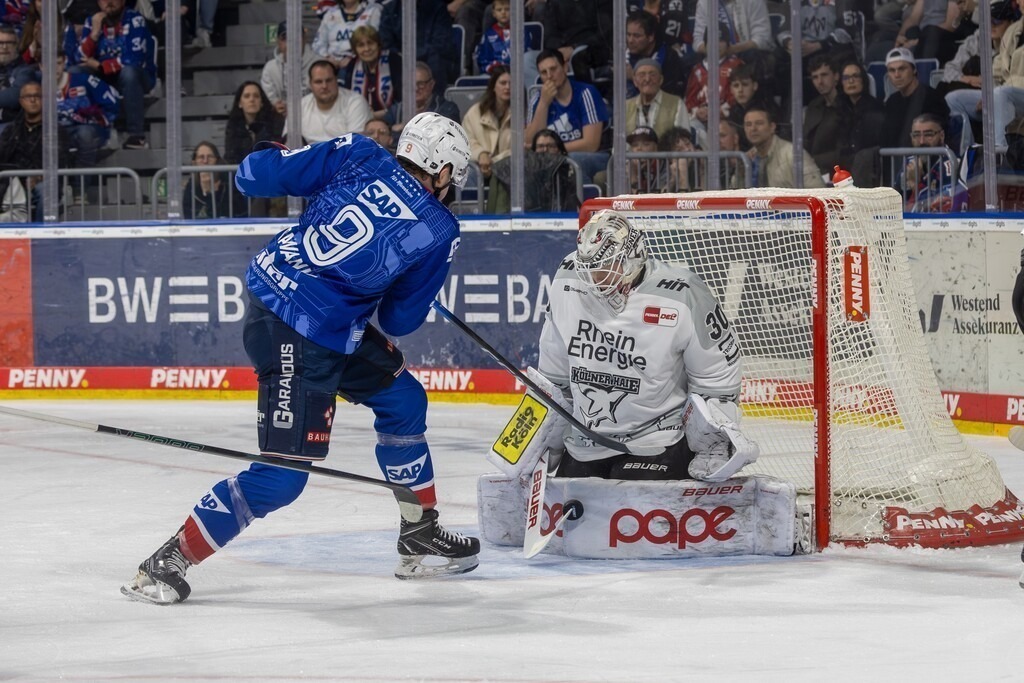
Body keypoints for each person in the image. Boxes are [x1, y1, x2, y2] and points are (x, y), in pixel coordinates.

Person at [121, 112, 476, 605]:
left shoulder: (361, 153)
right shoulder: (439, 227)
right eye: (452, 179)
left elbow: (252, 176)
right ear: (443, 171)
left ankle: (420, 532)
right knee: (283, 477)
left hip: (296, 308)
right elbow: (399, 320)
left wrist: (269, 150)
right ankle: (168, 560)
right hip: (296, 330)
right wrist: (413, 282)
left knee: (404, 400)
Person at [537, 209, 755, 483]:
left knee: (628, 505)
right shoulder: (568, 279)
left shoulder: (681, 292)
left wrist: (711, 442)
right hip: (586, 441)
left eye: (606, 267)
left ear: (633, 257)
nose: (596, 279)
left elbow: (717, 374)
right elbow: (554, 372)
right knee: (570, 507)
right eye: (590, 268)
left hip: (657, 442)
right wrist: (542, 438)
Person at [75, 0, 156, 150]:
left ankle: (136, 135)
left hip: (139, 76)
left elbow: (134, 58)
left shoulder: (135, 19)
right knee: (76, 72)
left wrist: (100, 66)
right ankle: (88, 133)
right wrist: (94, 35)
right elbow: (79, 58)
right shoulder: (92, 21)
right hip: (105, 76)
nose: (109, 2)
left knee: (129, 73)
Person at [945, 3, 1024, 151]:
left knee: (1001, 93)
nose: (991, 26)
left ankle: (1000, 152)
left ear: (1008, 21)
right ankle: (968, 153)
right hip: (1004, 93)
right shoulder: (1013, 30)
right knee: (954, 99)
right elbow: (997, 70)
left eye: (997, 21)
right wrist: (989, 94)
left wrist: (996, 94)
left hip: (1015, 93)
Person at [525, 49, 609, 186]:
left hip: (594, 157)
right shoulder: (537, 100)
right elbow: (530, 143)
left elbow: (591, 144)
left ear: (565, 67)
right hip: (554, 157)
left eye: (553, 69)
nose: (549, 76)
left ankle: (583, 200)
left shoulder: (586, 93)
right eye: (544, 72)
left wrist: (553, 150)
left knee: (571, 160)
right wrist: (544, 104)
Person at [0, 80, 73, 221]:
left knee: (46, 191)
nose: (33, 100)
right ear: (21, 102)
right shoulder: (11, 130)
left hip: (41, 181)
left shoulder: (55, 130)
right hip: (12, 182)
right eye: (28, 97)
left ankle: (41, 232)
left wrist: (39, 177)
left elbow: (61, 161)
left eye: (37, 96)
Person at [488, 129, 579, 213]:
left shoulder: (570, 170)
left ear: (559, 150)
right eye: (540, 146)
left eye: (550, 146)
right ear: (533, 151)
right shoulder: (523, 174)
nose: (545, 150)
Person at [287, 60, 372, 144]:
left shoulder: (355, 102)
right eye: (318, 82)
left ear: (336, 80)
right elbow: (287, 142)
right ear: (310, 84)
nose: (324, 86)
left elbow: (356, 145)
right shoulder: (299, 106)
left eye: (329, 80)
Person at [881, 46, 949, 150]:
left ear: (914, 70)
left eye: (902, 69)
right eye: (892, 70)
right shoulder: (892, 101)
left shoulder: (932, 97)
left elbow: (941, 136)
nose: (897, 75)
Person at [899, 112, 967, 212]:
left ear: (941, 136)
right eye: (916, 135)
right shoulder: (909, 162)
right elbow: (893, 200)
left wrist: (915, 186)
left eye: (928, 135)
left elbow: (941, 209)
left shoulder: (952, 164)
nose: (922, 141)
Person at [744, 106, 826, 188]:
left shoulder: (793, 155)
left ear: (772, 127)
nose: (753, 128)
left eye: (759, 123)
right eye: (748, 124)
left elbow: (817, 190)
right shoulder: (746, 159)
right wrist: (741, 171)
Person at [837, 60, 885, 187]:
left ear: (863, 80)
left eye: (855, 76)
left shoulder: (875, 108)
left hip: (867, 172)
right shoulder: (841, 109)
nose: (851, 81)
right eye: (846, 78)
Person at [625, 58, 696, 143]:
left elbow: (682, 141)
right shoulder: (626, 106)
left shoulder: (676, 103)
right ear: (635, 81)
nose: (647, 79)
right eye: (642, 75)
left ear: (661, 80)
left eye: (653, 75)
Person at [461, 65, 511, 185]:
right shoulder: (476, 112)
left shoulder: (522, 113)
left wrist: (492, 162)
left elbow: (521, 147)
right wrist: (481, 154)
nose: (507, 87)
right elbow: (465, 141)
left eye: (511, 83)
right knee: (467, 173)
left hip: (508, 168)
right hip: (479, 166)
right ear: (493, 86)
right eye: (503, 83)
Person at [342, 25, 400, 122]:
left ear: (378, 44)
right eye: (361, 45)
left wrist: (378, 115)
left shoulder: (393, 61)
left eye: (370, 43)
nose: (367, 49)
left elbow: (402, 101)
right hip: (361, 121)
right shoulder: (352, 65)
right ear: (355, 49)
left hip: (392, 119)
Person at [625, 10, 688, 98]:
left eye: (636, 36)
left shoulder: (669, 58)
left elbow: (667, 98)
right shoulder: (625, 54)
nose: (630, 40)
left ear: (651, 37)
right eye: (628, 35)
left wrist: (633, 77)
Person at [387, 62, 460, 134]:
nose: (416, 88)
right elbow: (384, 127)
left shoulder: (447, 109)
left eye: (420, 84)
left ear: (431, 84)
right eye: (411, 84)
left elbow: (447, 133)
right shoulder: (398, 109)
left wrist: (406, 127)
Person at [261, 21, 315, 118]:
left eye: (296, 38)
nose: (291, 44)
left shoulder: (319, 64)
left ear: (304, 39)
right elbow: (269, 100)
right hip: (281, 119)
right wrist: (275, 105)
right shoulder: (270, 69)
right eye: (285, 39)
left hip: (313, 116)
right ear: (278, 42)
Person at [312, 0, 382, 75]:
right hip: (332, 65)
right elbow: (318, 44)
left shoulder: (373, 11)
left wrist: (352, 58)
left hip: (360, 62)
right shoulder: (330, 14)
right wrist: (327, 57)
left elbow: (376, 41)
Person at [182, 140, 248, 219]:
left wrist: (213, 193)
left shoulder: (229, 182)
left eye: (210, 157)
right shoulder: (191, 186)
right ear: (194, 162)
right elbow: (189, 215)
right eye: (201, 157)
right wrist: (207, 193)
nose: (205, 161)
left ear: (217, 160)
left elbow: (238, 212)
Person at [224, 81, 285, 165]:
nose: (252, 99)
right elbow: (230, 157)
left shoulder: (276, 124)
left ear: (261, 102)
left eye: (256, 96)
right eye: (247, 96)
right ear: (240, 103)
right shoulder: (232, 127)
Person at [803, 54, 844, 175]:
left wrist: (813, 161)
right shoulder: (813, 106)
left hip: (837, 172)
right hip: (811, 171)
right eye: (815, 77)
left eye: (824, 75)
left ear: (836, 76)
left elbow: (844, 151)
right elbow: (806, 140)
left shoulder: (847, 106)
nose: (819, 82)